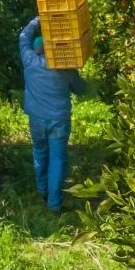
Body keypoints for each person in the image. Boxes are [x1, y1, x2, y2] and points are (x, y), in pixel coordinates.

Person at [18, 15, 86, 212]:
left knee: (40, 152)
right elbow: (80, 88)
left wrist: (37, 21)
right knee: (57, 158)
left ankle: (42, 191)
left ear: (37, 49)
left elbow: (23, 37)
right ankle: (54, 204)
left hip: (36, 119)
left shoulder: (29, 60)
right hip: (58, 120)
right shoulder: (64, 67)